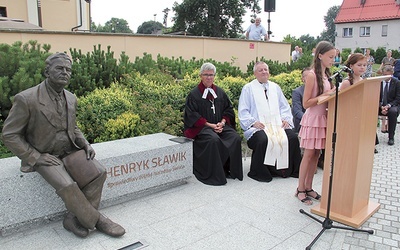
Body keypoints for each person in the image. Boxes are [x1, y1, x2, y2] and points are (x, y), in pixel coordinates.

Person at [2, 53, 125, 238]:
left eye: (68, 70)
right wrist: (35, 157)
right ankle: (98, 220)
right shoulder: (26, 99)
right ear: (47, 71)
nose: (65, 72)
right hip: (44, 156)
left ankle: (72, 218)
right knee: (68, 185)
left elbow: (72, 126)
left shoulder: (71, 97)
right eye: (59, 68)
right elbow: (9, 134)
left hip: (69, 150)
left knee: (99, 172)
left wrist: (84, 143)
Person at [238, 61, 301, 182]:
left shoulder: (275, 87)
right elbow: (243, 110)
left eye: (266, 70)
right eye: (260, 70)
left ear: (269, 72)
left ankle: (289, 170)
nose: (264, 72)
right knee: (263, 140)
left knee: (292, 137)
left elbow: (284, 107)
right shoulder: (248, 88)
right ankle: (262, 172)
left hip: (277, 125)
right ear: (255, 73)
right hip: (258, 126)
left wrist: (285, 119)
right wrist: (253, 122)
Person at [183, 62, 243, 185]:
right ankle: (214, 174)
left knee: (234, 137)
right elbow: (192, 115)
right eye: (206, 75)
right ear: (200, 75)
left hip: (219, 126)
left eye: (211, 75)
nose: (209, 77)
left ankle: (230, 170)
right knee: (213, 140)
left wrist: (222, 123)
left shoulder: (220, 93)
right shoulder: (194, 94)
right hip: (202, 128)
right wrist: (210, 125)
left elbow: (228, 110)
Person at [296, 41, 336, 205]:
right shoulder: (312, 75)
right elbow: (306, 103)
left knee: (317, 155)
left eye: (335, 57)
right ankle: (300, 189)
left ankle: (309, 187)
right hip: (313, 119)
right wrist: (326, 96)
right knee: (308, 154)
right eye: (331, 57)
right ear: (320, 56)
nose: (333, 60)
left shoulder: (327, 75)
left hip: (323, 119)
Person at [340, 53, 379, 153]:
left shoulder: (363, 80)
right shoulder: (347, 82)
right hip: (350, 119)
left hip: (361, 117)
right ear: (351, 66)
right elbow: (342, 102)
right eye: (359, 65)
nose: (362, 67)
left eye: (364, 65)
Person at [378, 65, 400, 146]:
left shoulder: (396, 82)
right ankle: (372, 137)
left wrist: (388, 106)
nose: (385, 77)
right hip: (379, 104)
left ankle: (391, 137)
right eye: (384, 75)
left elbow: (398, 98)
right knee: (370, 110)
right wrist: (381, 106)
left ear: (392, 74)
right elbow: (374, 96)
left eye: (388, 75)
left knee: (393, 112)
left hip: (392, 105)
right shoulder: (378, 82)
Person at [292, 67, 312, 133]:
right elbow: (297, 112)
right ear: (302, 79)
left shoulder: (319, 91)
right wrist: (310, 120)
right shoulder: (297, 92)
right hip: (303, 126)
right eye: (308, 76)